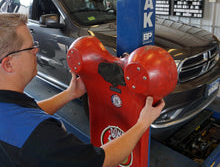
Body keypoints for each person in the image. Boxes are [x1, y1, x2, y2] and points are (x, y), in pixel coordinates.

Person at [0, 13, 165, 167]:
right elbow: (102, 159)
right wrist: (142, 123)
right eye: (31, 47)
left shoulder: (12, 111)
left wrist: (70, 94)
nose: (37, 50)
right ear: (8, 64)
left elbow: (23, 115)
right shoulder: (42, 137)